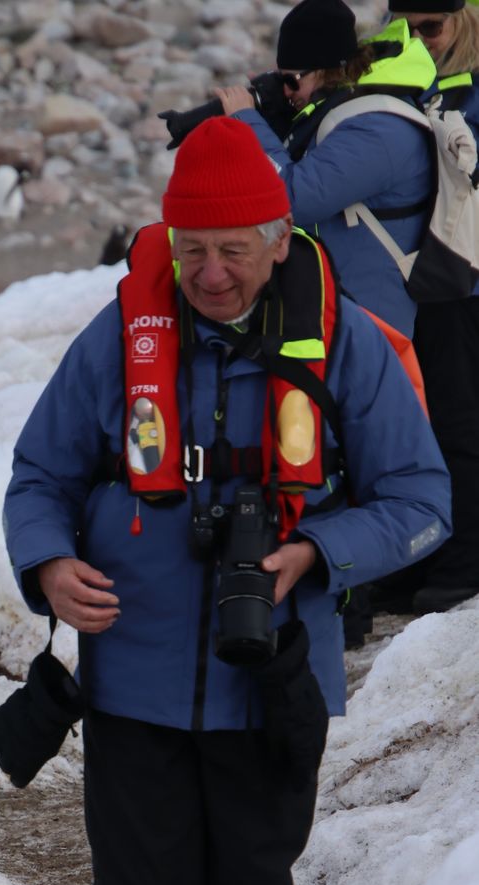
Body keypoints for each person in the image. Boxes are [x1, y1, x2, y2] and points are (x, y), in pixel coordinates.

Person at [1, 116, 450, 885]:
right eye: (191, 249)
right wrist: (49, 566)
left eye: (234, 249)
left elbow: (423, 501)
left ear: (280, 240)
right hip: (132, 685)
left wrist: (315, 550)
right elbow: (38, 478)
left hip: (271, 689)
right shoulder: (119, 340)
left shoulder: (343, 342)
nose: (210, 272)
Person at [216, 0, 437, 645]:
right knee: (334, 449)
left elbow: (290, 197)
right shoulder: (340, 114)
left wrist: (249, 125)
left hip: (376, 321)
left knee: (371, 458)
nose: (289, 91)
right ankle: (356, 588)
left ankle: (360, 598)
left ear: (325, 72)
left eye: (293, 80)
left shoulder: (377, 128)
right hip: (344, 313)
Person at [380, 1, 479, 612]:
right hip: (421, 282)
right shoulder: (401, 74)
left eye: (431, 27)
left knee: (459, 423)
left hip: (462, 284)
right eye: (406, 28)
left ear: (464, 20)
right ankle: (428, 550)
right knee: (420, 424)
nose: (419, 40)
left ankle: (466, 559)